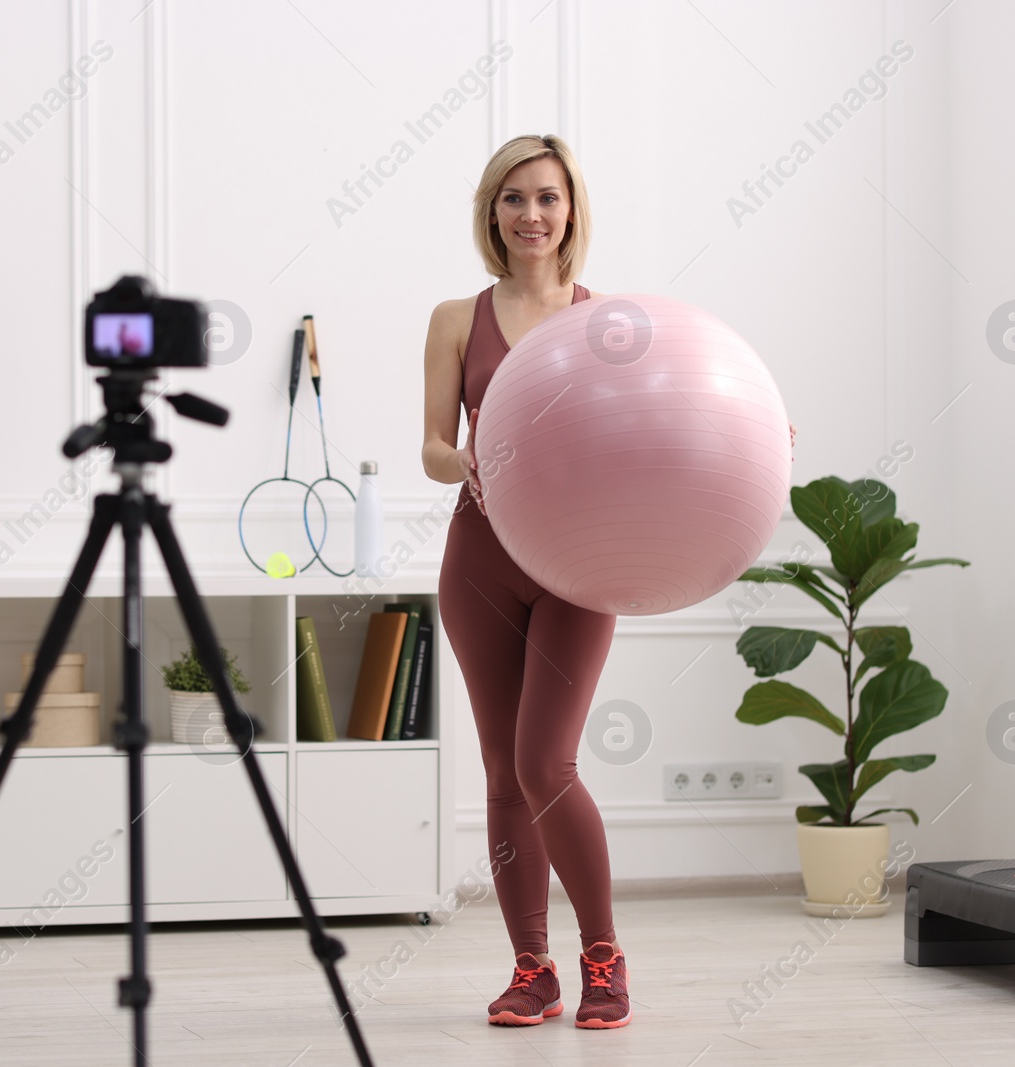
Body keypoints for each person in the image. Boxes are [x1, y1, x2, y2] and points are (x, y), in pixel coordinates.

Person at [420, 134, 631, 1030]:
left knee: (548, 761)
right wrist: (459, 459)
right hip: (481, 559)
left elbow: (655, 431)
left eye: (546, 197)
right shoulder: (456, 316)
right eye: (512, 199)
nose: (530, 215)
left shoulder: (609, 318)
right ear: (491, 212)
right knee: (504, 769)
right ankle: (532, 968)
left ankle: (605, 958)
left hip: (580, 560)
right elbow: (430, 446)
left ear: (571, 208)